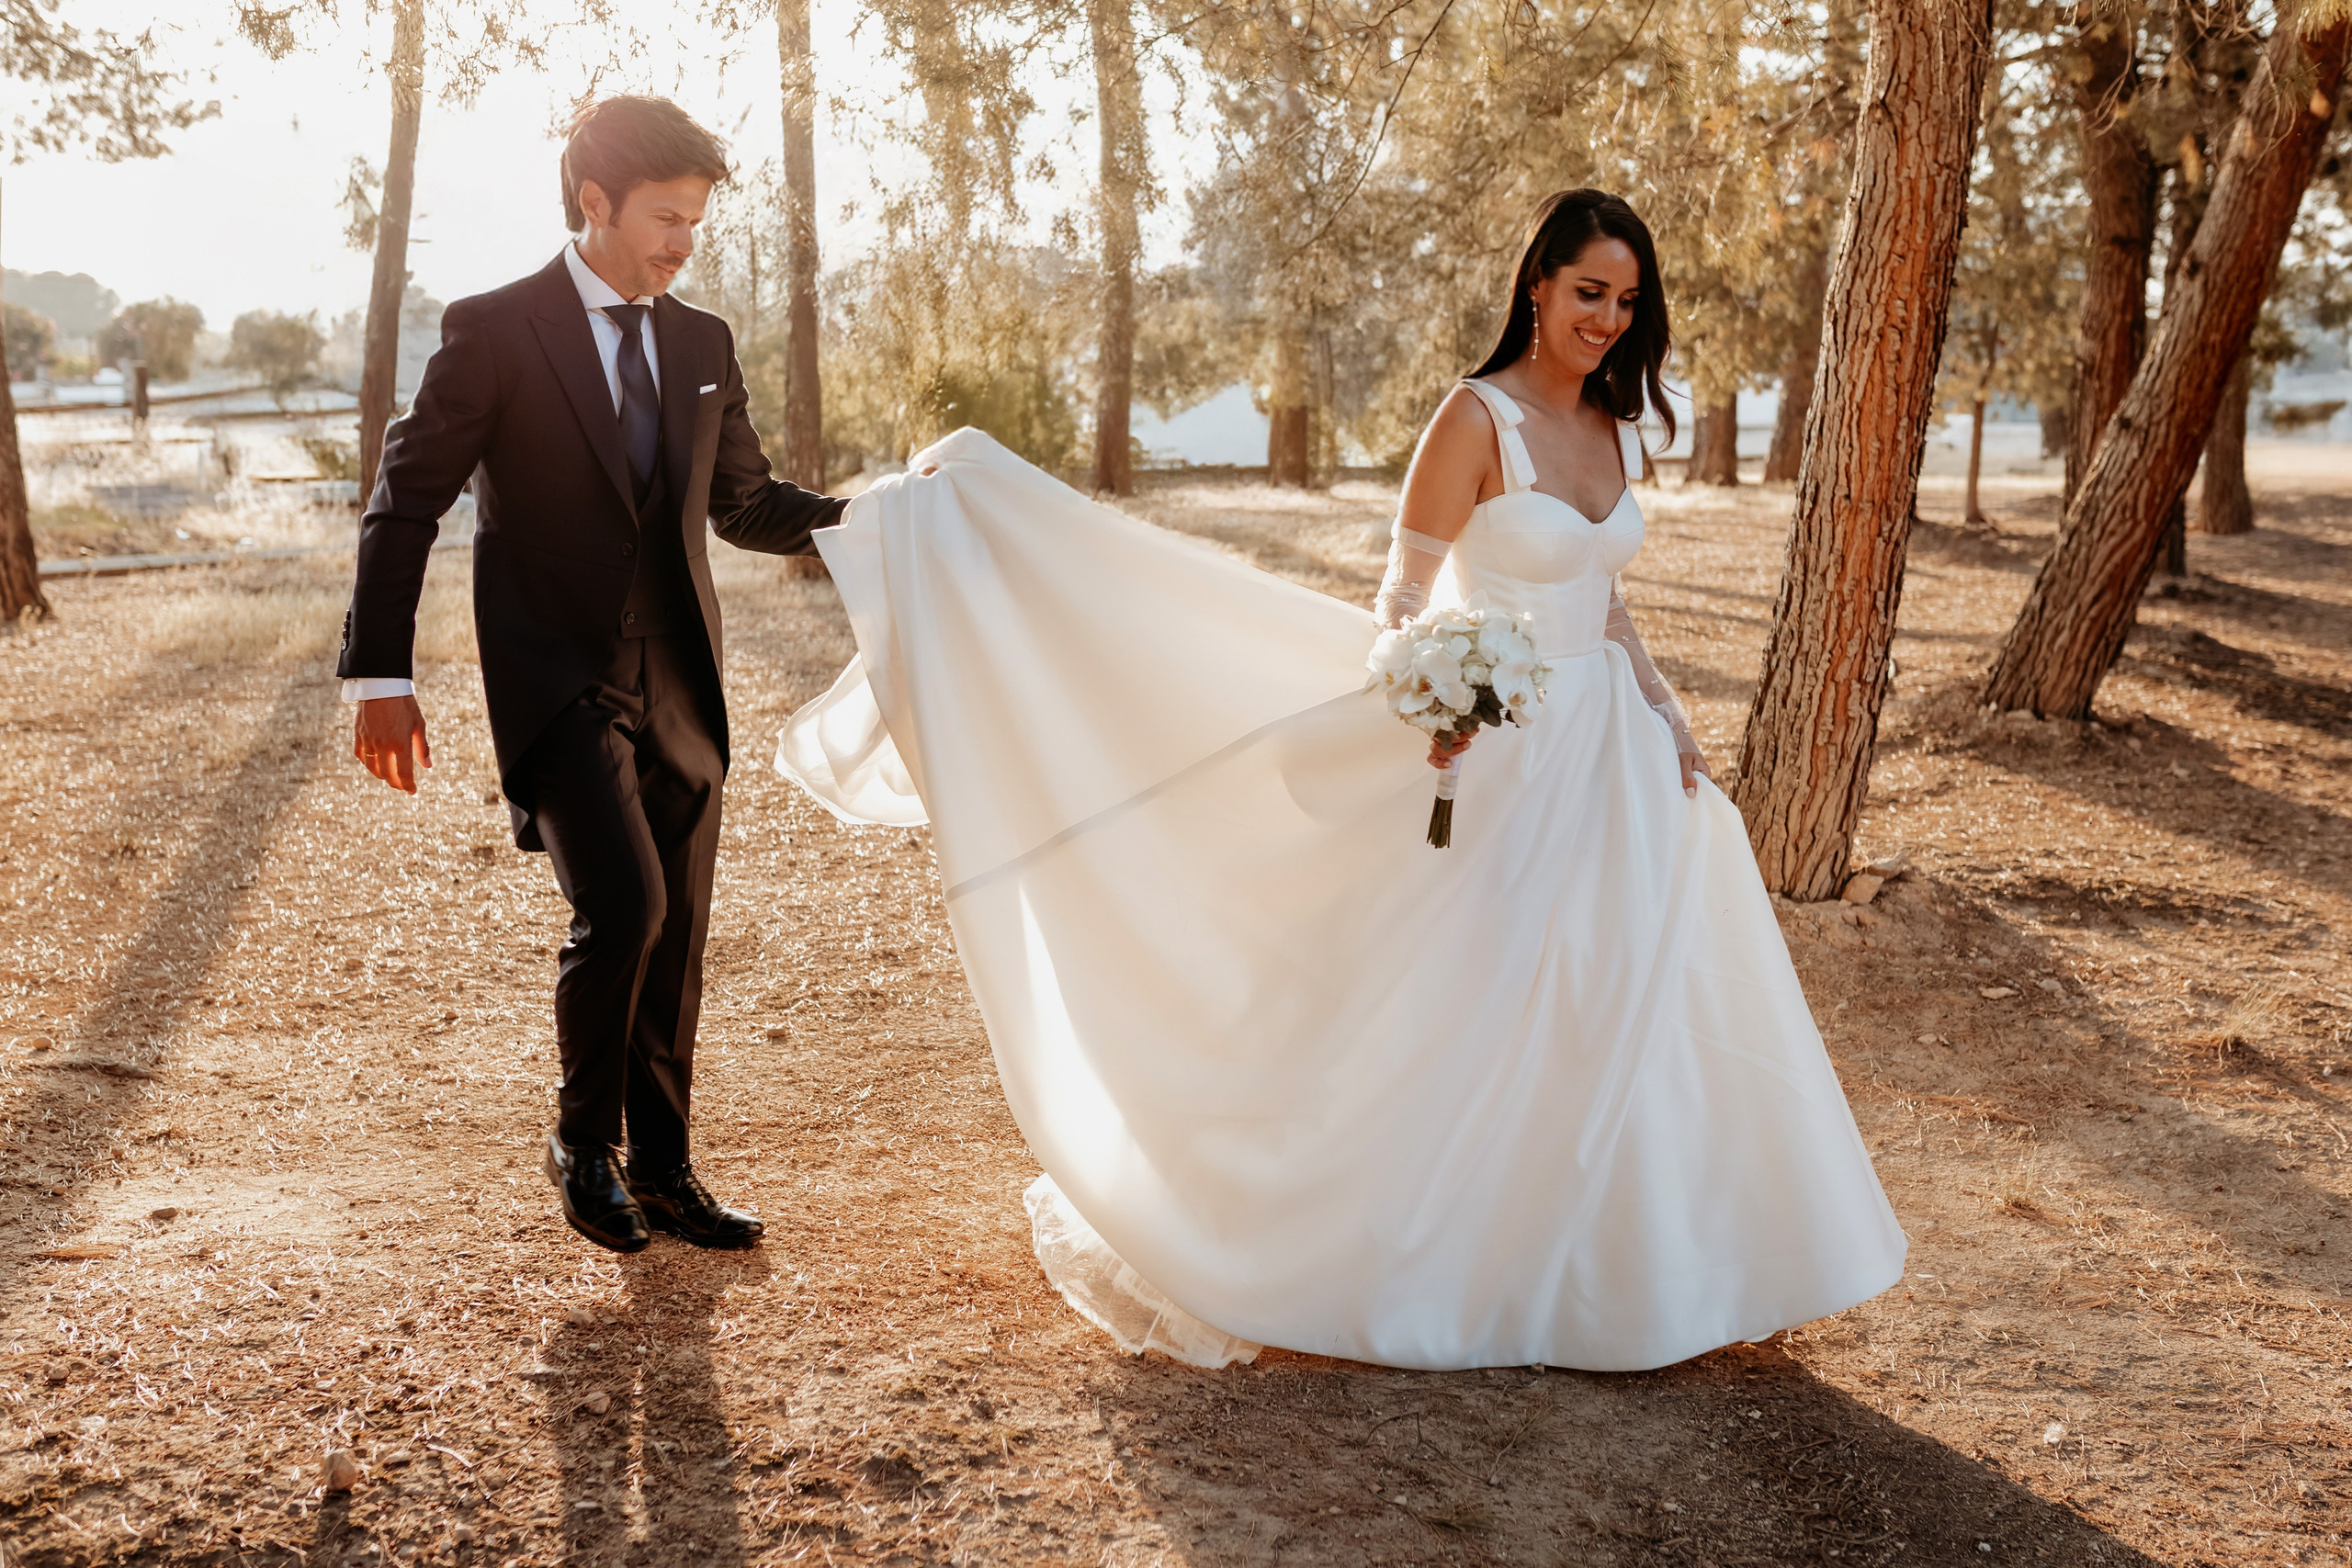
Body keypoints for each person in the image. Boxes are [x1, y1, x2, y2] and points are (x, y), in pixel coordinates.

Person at [777, 190, 1905, 1371]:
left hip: (1608, 752)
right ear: (1537, 285)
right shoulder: (1476, 419)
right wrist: (1436, 696)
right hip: (1498, 752)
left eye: (1627, 303)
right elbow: (1403, 602)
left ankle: (1642, 1260)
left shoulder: (1618, 430)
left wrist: (1667, 714)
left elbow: (1605, 602)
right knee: (1475, 989)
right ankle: (1414, 1244)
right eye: (1588, 294)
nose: (1608, 320)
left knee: (1622, 984)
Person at [339, 96, 843, 1255]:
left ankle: (666, 1169)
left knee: (680, 930)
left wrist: (887, 521)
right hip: (555, 677)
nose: (680, 243)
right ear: (593, 203)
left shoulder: (704, 343)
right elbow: (405, 500)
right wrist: (380, 677)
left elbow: (747, 507)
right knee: (626, 904)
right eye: (665, 218)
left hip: (681, 684)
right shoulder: (493, 329)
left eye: (695, 224)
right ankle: (584, 1144)